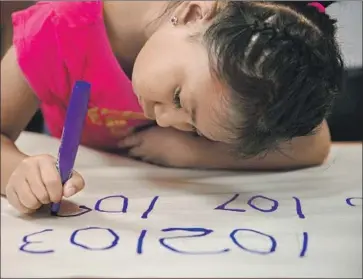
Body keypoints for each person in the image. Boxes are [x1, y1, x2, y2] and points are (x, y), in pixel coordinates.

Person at [0, 1, 343, 214]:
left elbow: (313, 145)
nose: (161, 118)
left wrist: (193, 152)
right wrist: (20, 171)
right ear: (193, 12)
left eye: (193, 127)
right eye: (179, 97)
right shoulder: (56, 29)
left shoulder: (246, 69)